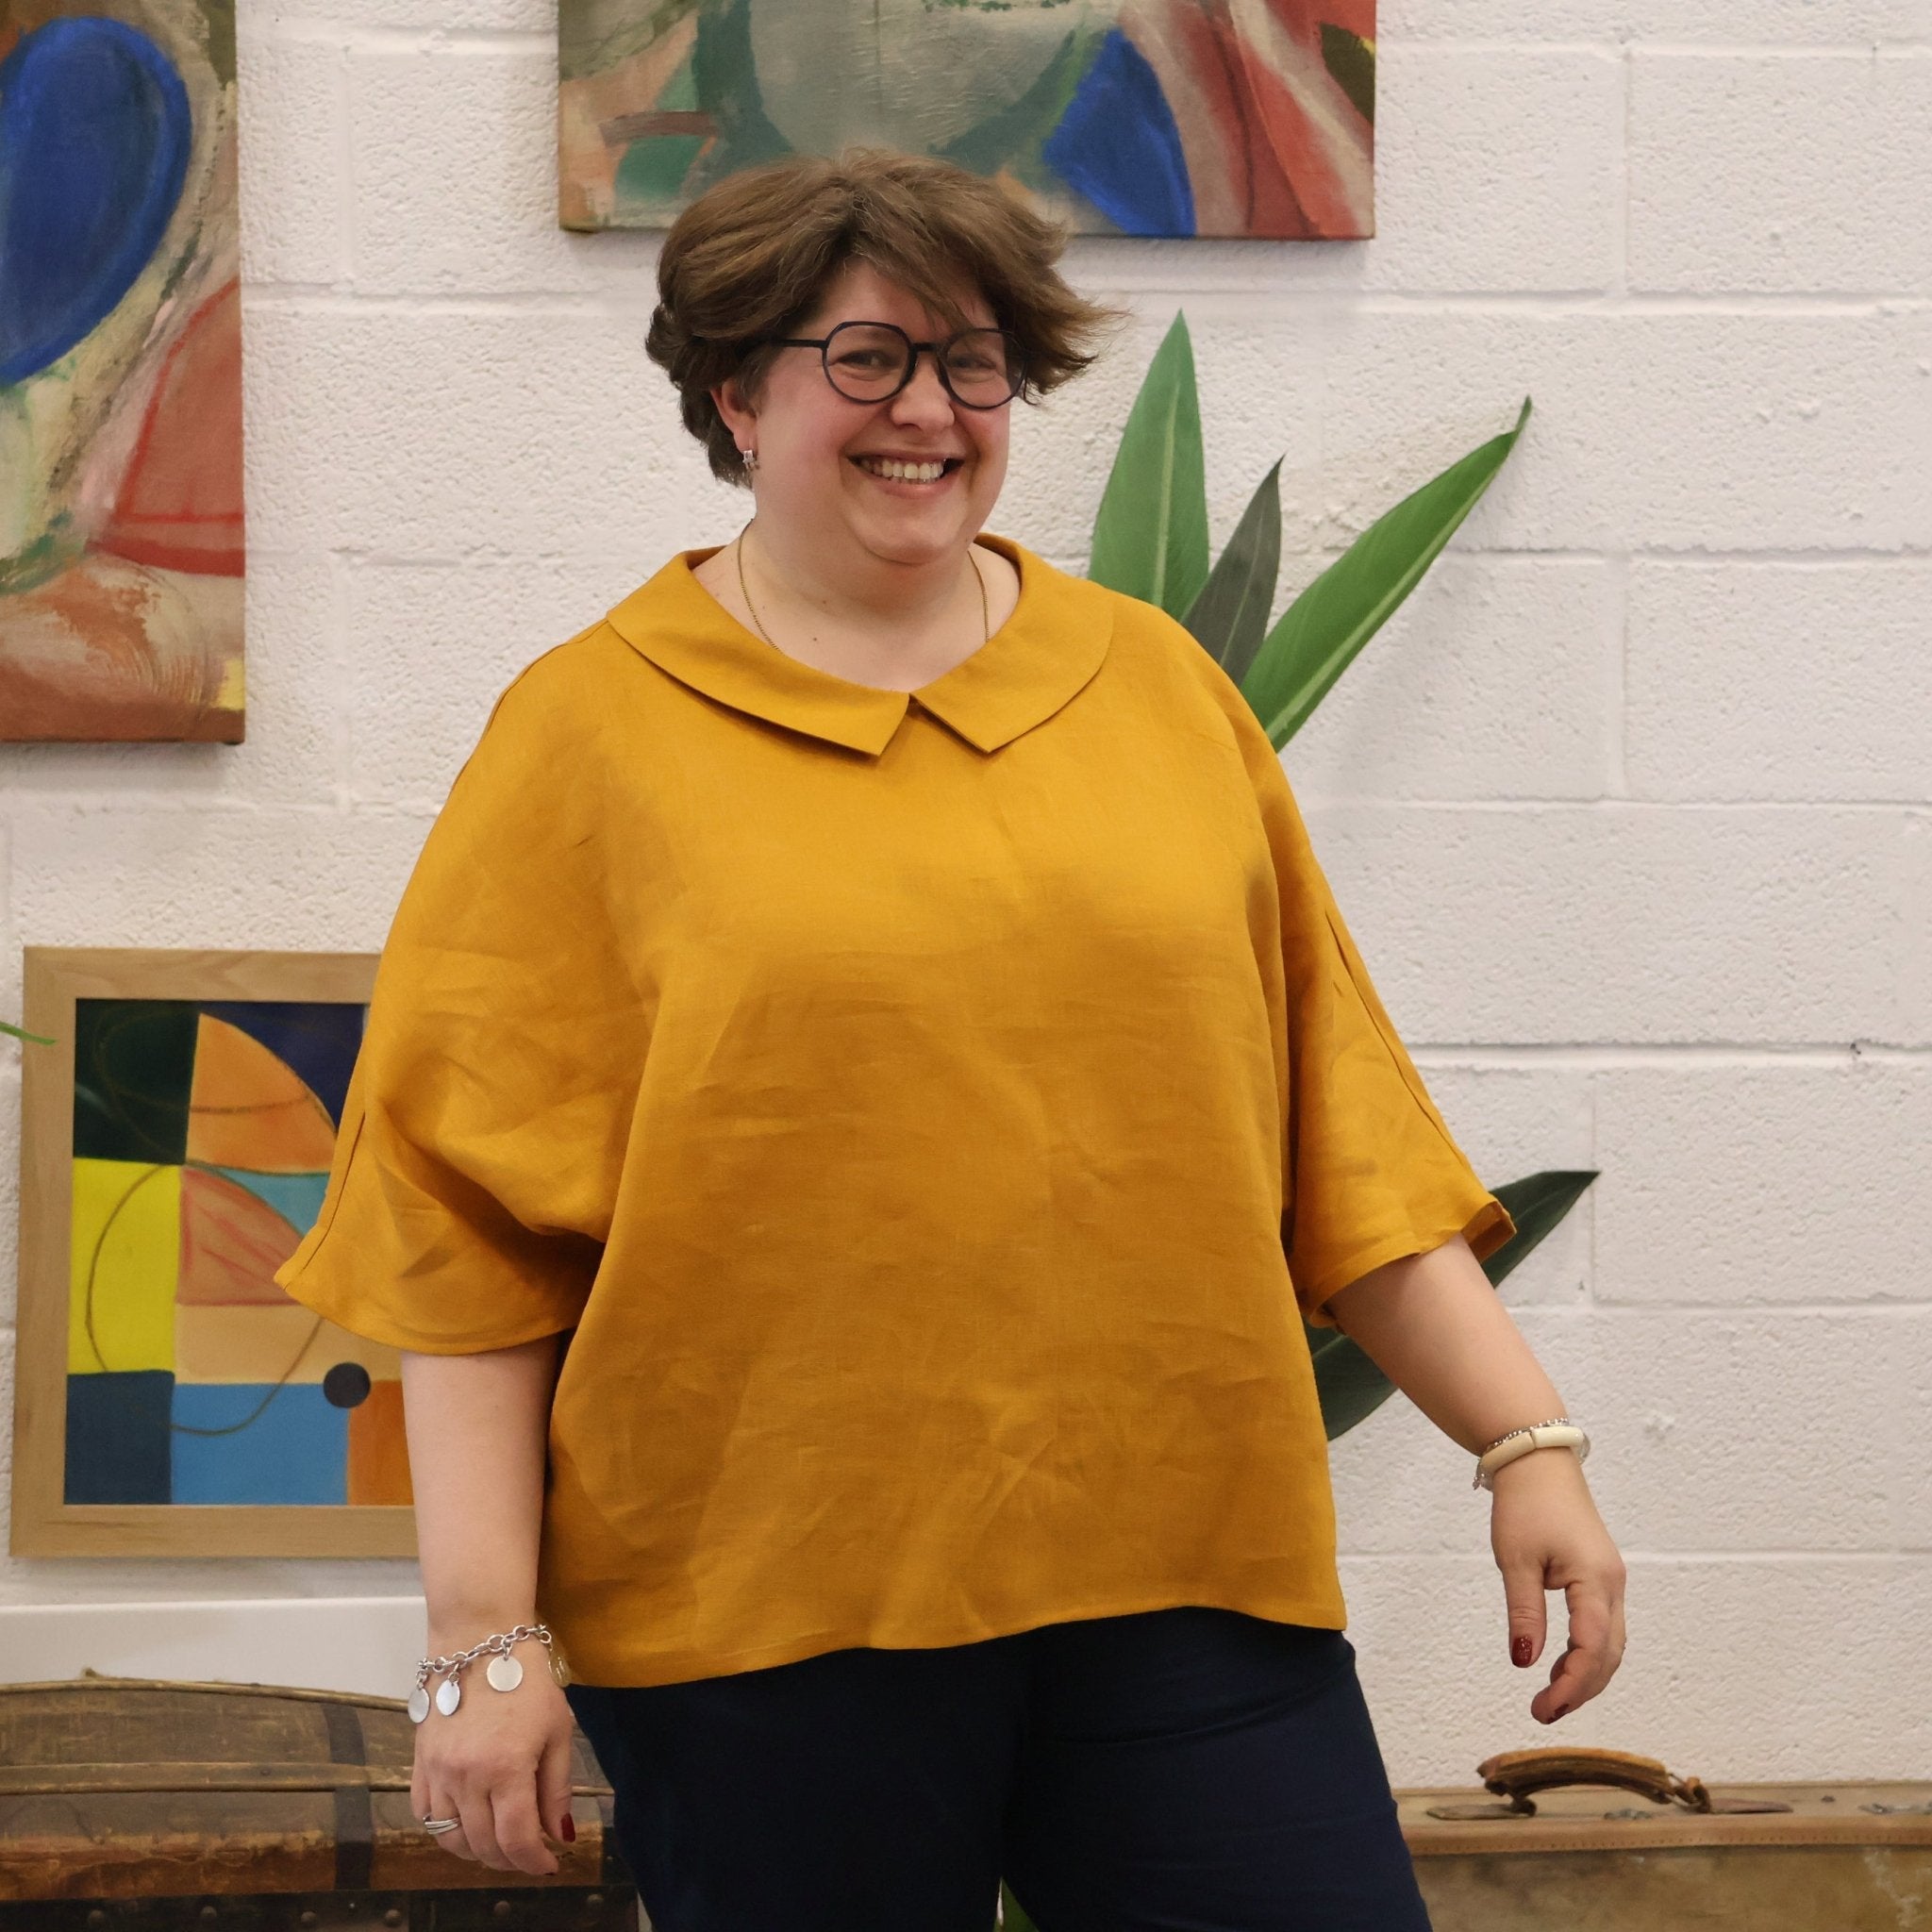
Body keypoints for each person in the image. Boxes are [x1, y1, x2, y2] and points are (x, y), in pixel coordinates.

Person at [275, 146, 1625, 1932]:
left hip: (1188, 1580)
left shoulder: (1158, 693)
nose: (927, 409)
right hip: (760, 1627)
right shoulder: (586, 739)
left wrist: (1526, 1445)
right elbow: (465, 1235)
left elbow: (1338, 1143)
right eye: (867, 358)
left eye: (971, 361)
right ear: (735, 394)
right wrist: (480, 1636)